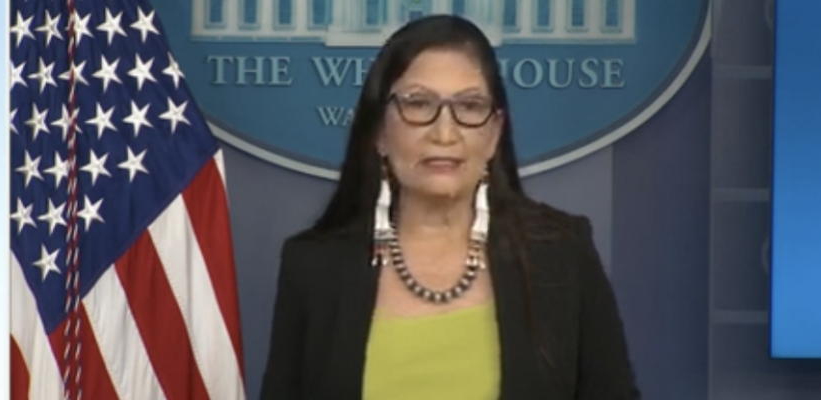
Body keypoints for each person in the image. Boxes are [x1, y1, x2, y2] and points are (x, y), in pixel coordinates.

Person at [259, 15, 640, 400]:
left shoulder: (562, 253)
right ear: (379, 133)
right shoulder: (313, 266)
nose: (445, 133)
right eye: (418, 103)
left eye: (470, 106)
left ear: (494, 134)